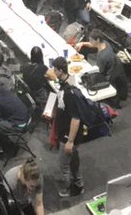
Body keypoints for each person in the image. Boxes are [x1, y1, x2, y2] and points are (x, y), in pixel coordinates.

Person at [48, 57, 83, 197]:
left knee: (63, 163)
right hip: (66, 131)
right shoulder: (65, 84)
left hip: (68, 134)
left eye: (55, 69)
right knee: (73, 158)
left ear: (60, 70)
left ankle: (67, 188)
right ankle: (78, 183)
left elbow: (76, 118)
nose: (53, 71)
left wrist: (70, 141)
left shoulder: (69, 93)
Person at [76, 30, 126, 105]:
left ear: (98, 40)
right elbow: (92, 45)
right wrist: (83, 43)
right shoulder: (105, 43)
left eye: (91, 40)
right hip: (116, 71)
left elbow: (99, 72)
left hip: (109, 76)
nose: (90, 42)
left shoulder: (103, 57)